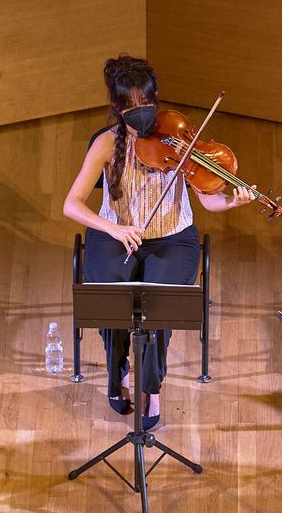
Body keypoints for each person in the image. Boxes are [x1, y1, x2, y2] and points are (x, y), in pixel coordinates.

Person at [61, 54, 257, 430]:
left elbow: (208, 199)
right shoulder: (106, 143)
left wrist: (233, 198)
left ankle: (151, 388)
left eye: (146, 106)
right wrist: (112, 228)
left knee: (157, 312)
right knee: (110, 306)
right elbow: (71, 204)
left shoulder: (179, 138)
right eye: (130, 108)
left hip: (172, 238)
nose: (140, 115)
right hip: (117, 235)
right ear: (117, 109)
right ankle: (117, 374)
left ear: (156, 101)